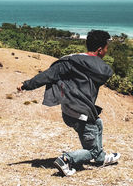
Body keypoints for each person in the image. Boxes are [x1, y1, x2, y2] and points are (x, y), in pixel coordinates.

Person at [17, 30, 120, 176]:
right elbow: (106, 73)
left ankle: (101, 158)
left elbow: (47, 75)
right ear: (99, 50)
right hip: (82, 113)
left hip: (69, 111)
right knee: (92, 150)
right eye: (106, 48)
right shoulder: (100, 68)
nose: (107, 51)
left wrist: (27, 84)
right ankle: (66, 159)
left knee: (98, 123)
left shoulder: (71, 61)